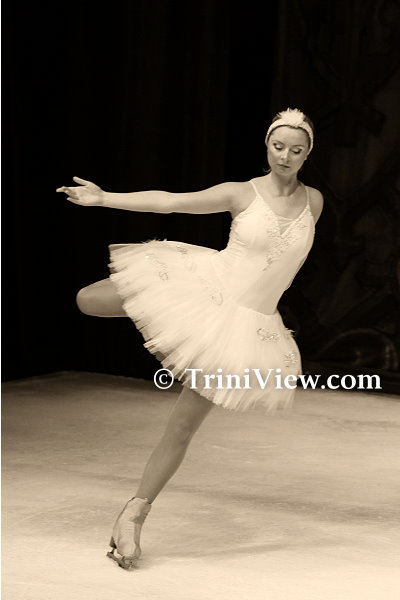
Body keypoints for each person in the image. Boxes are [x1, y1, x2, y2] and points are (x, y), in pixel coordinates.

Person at [57, 107, 324, 570]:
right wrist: (102, 199)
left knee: (181, 428)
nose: (285, 156)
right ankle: (161, 309)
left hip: (243, 331)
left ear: (307, 154)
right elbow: (169, 202)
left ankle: (133, 516)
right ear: (266, 146)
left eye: (295, 150)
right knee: (87, 300)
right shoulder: (241, 192)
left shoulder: (314, 202)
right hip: (204, 289)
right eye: (278, 146)